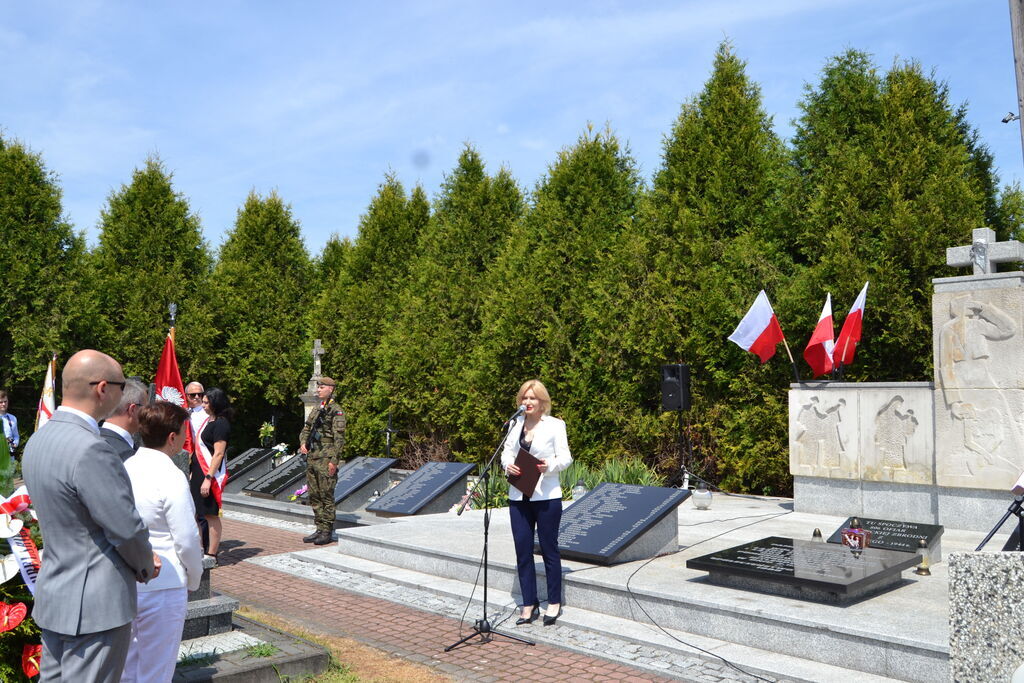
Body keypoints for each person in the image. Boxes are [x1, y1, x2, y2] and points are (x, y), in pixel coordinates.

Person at [22, 350, 160, 682]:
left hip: (57, 593)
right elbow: (125, 527)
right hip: (96, 605)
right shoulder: (92, 448)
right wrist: (145, 563)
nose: (122, 391)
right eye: (120, 384)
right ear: (102, 388)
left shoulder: (39, 439)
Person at [121, 401, 203, 683]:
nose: (184, 438)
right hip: (164, 582)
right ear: (172, 438)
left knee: (127, 665)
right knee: (156, 669)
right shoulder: (171, 476)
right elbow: (187, 538)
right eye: (183, 432)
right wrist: (194, 577)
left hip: (127, 577)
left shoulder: (125, 467)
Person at [501, 379, 572, 626]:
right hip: (519, 496)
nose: (527, 402)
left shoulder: (555, 425)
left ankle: (553, 603)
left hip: (546, 496)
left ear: (543, 403)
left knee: (548, 549)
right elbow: (506, 452)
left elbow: (566, 457)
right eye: (524, 398)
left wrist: (548, 466)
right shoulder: (515, 424)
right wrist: (506, 464)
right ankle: (528, 604)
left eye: (533, 398)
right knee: (522, 550)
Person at [298, 377, 346, 546]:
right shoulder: (318, 408)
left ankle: (327, 530)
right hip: (313, 457)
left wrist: (334, 461)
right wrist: (303, 442)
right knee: (314, 494)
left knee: (326, 495)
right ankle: (319, 528)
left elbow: (339, 438)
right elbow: (306, 428)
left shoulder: (336, 410)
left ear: (331, 389)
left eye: (322, 387)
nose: (318, 390)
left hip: (326, 459)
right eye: (318, 387)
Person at [190, 387, 231, 562]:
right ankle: (199, 548)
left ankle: (212, 553)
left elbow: (218, 453)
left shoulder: (221, 424)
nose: (203, 404)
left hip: (210, 474)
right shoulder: (208, 421)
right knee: (196, 512)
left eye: (206, 402)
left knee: (210, 514)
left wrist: (208, 478)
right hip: (199, 471)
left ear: (215, 403)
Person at [100, 378, 150, 462]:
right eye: (145, 409)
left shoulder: (88, 437)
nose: (147, 414)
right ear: (132, 409)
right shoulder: (127, 456)